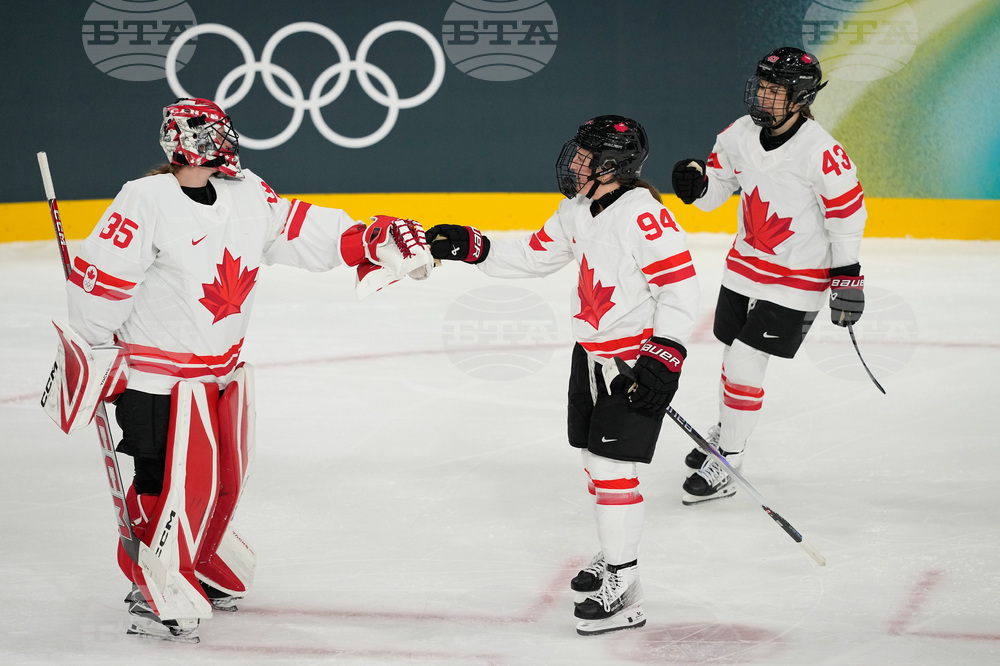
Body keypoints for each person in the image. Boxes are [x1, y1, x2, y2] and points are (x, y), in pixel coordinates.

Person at [40, 97, 434, 642]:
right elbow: (103, 281)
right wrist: (92, 348)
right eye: (216, 134)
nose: (228, 142)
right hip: (158, 378)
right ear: (194, 142)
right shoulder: (145, 199)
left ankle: (196, 556)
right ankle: (151, 579)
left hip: (222, 374)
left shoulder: (246, 192)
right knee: (165, 478)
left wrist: (367, 238)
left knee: (221, 477)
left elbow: (297, 229)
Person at [425, 116, 700, 636]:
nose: (573, 163)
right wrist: (475, 246)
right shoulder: (577, 210)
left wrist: (665, 357)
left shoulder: (644, 217)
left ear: (613, 164)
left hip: (634, 364)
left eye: (586, 156)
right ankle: (614, 550)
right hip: (590, 358)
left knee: (611, 468)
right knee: (594, 464)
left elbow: (681, 289)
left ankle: (626, 583)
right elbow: (533, 257)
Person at [670, 47, 867, 505]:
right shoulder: (739, 134)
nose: (763, 95)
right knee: (735, 354)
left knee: (742, 361)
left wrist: (847, 275)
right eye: (762, 86)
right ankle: (730, 426)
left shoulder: (823, 151)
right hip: (744, 268)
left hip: (797, 278)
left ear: (800, 98)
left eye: (776, 90)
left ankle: (729, 461)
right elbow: (717, 188)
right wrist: (697, 188)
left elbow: (847, 214)